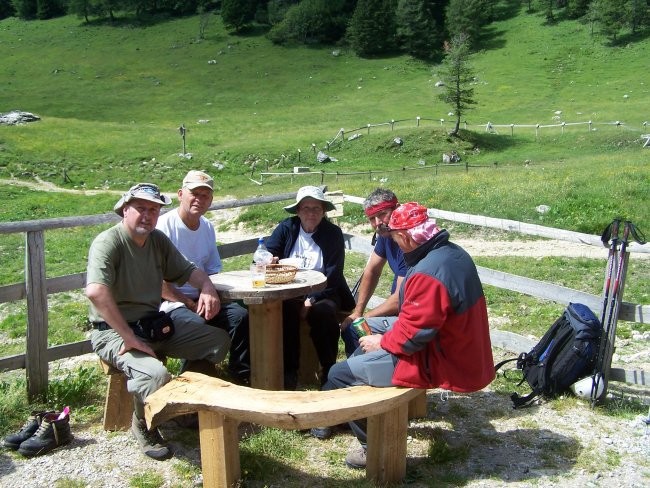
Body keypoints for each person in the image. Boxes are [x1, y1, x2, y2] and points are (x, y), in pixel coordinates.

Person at [321, 202, 495, 469]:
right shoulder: (451, 253)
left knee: (338, 374)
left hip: (438, 355)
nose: (395, 245)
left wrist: (382, 341)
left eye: (394, 237)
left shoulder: (427, 273)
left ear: (404, 235)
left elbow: (413, 337)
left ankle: (373, 447)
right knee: (363, 331)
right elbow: (420, 321)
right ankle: (357, 390)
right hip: (449, 340)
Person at [85, 183, 231, 461]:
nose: (148, 215)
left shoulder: (157, 241)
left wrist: (208, 288)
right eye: (141, 208)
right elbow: (96, 291)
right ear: (124, 210)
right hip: (113, 333)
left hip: (152, 323)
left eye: (154, 209)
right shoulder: (109, 242)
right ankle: (144, 424)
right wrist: (128, 336)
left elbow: (189, 271)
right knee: (155, 374)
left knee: (217, 342)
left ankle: (180, 404)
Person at [156, 170, 251, 384]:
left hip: (201, 297)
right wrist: (189, 302)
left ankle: (241, 377)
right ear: (181, 194)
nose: (199, 199)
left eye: (205, 195)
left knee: (241, 316)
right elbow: (158, 283)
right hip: (170, 303)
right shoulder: (164, 227)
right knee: (197, 325)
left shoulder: (207, 227)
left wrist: (208, 294)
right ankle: (190, 382)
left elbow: (212, 270)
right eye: (194, 193)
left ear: (211, 200)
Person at [265, 185, 355, 389]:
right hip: (290, 290)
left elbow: (334, 274)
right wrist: (269, 258)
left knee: (323, 312)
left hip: (326, 290)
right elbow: (268, 252)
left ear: (324, 211)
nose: (311, 213)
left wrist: (311, 300)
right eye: (306, 208)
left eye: (316, 208)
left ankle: (329, 371)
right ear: (298, 211)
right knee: (285, 310)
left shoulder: (333, 234)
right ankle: (289, 371)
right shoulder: (287, 227)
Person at [339, 188, 407, 356]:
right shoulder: (386, 235)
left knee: (356, 328)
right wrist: (358, 311)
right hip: (401, 310)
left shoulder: (407, 240)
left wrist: (365, 317)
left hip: (410, 316)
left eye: (382, 214)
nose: (377, 222)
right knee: (355, 325)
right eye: (371, 218)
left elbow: (399, 300)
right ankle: (363, 367)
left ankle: (361, 371)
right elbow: (372, 270)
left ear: (397, 208)